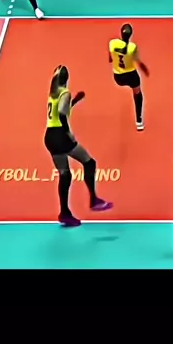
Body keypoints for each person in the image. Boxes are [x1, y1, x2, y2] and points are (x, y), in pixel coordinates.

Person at [44, 65, 113, 226]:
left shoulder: (53, 93)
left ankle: (64, 213)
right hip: (61, 135)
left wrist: (74, 100)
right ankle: (94, 200)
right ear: (67, 79)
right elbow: (62, 114)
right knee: (89, 162)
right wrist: (68, 133)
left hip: (50, 137)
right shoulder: (65, 93)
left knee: (65, 175)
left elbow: (58, 110)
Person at [109, 23, 149, 130]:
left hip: (118, 77)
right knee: (138, 94)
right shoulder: (132, 47)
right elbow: (138, 62)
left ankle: (139, 120)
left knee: (135, 89)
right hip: (131, 76)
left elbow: (110, 58)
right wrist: (145, 70)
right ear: (131, 35)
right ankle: (139, 121)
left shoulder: (112, 43)